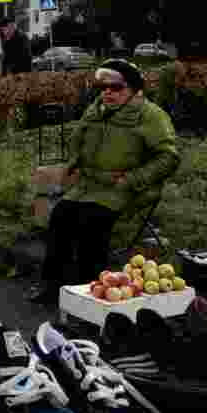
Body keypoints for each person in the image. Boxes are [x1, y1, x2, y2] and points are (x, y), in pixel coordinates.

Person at [29, 59, 181, 305]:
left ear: (134, 89)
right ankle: (53, 285)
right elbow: (78, 137)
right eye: (103, 87)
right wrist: (75, 161)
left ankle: (90, 291)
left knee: (92, 223)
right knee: (61, 216)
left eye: (116, 88)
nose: (107, 93)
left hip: (122, 187)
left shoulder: (150, 115)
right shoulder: (97, 108)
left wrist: (132, 178)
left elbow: (169, 157)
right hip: (88, 184)